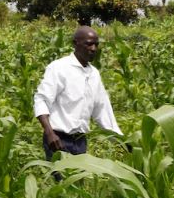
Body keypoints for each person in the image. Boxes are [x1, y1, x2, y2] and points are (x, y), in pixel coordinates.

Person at [34, 26, 122, 178]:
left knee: (77, 190)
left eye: (96, 44)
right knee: (63, 189)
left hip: (80, 142)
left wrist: (120, 140)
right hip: (59, 140)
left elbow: (102, 110)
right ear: (75, 43)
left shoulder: (94, 74)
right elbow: (41, 99)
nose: (93, 48)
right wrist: (49, 133)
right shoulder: (59, 68)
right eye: (88, 44)